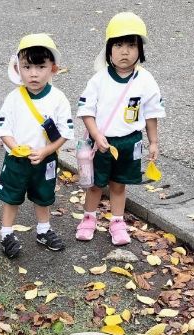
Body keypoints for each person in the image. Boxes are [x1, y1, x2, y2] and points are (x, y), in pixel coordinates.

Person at [75, 12, 166, 245]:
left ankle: (117, 221)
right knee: (95, 185)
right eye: (118, 45)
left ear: (140, 51)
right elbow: (87, 111)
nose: (124, 51)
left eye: (131, 45)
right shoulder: (99, 80)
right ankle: (89, 218)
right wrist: (96, 135)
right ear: (108, 49)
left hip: (129, 142)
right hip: (102, 142)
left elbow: (151, 114)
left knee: (118, 185)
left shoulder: (145, 81)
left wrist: (153, 141)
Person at [0, 33, 74, 258]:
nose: (34, 73)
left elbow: (65, 133)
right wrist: (15, 146)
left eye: (40, 66)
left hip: (45, 159)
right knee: (11, 197)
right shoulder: (13, 98)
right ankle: (6, 233)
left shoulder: (58, 99)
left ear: (53, 69)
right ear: (18, 68)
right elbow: (3, 129)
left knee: (43, 195)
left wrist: (47, 150)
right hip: (16, 160)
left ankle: (43, 229)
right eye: (27, 67)